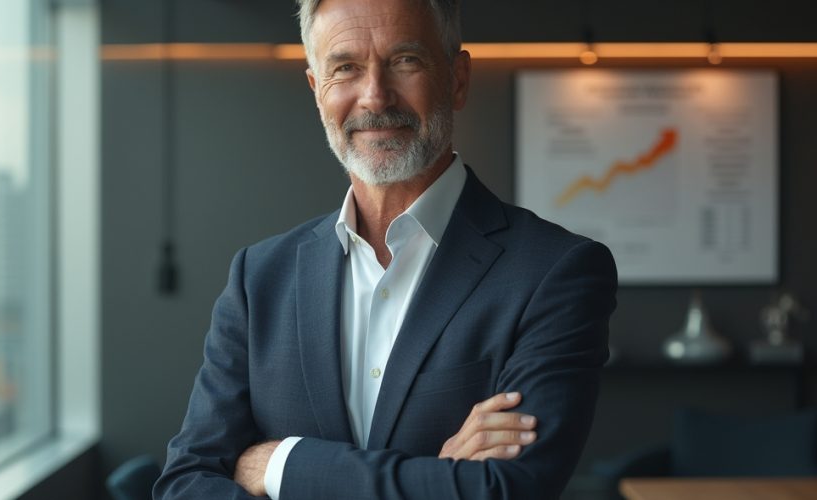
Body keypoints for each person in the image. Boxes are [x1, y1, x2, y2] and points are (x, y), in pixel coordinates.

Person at [153, 0, 617, 498]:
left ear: (457, 79)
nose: (374, 96)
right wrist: (436, 476)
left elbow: (508, 489)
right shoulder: (259, 278)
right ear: (317, 90)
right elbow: (184, 484)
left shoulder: (555, 271)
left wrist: (279, 464)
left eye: (405, 61)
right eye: (345, 68)